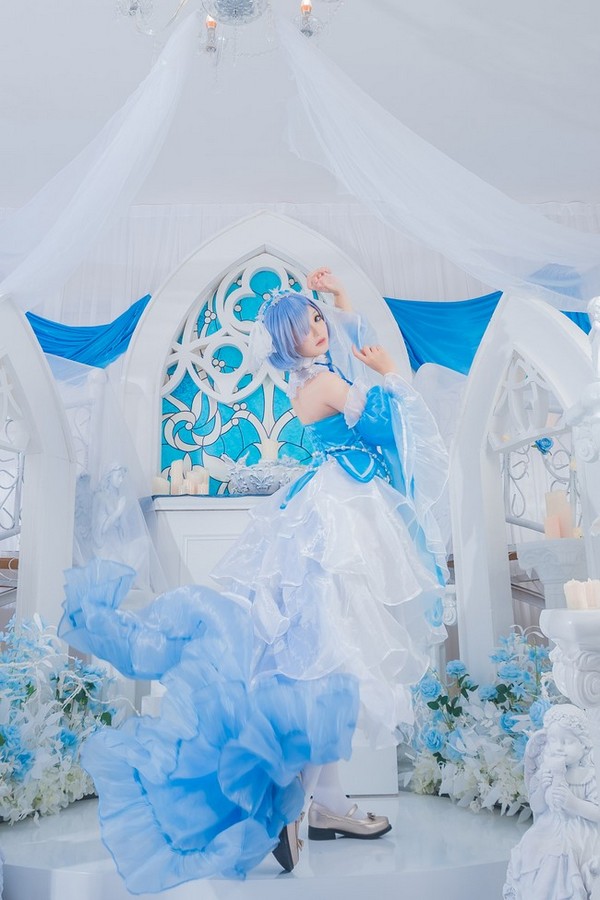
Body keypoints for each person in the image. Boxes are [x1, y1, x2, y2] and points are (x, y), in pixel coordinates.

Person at [59, 268, 448, 892]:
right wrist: (393, 375)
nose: (319, 329)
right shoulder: (324, 382)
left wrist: (342, 304)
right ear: (289, 341)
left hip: (329, 498)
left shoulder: (309, 378)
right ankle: (300, 804)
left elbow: (349, 357)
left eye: (318, 319)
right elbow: (382, 421)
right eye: (308, 325)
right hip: (343, 511)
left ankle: (324, 804)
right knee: (336, 661)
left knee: (330, 662)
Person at [504, 704, 600, 899]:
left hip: (579, 829)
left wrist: (572, 803)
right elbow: (537, 807)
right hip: (548, 826)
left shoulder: (589, 775)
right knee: (531, 846)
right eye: (553, 740)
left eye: (567, 741)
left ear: (584, 745)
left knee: (561, 852)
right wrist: (542, 788)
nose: (559, 747)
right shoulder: (544, 772)